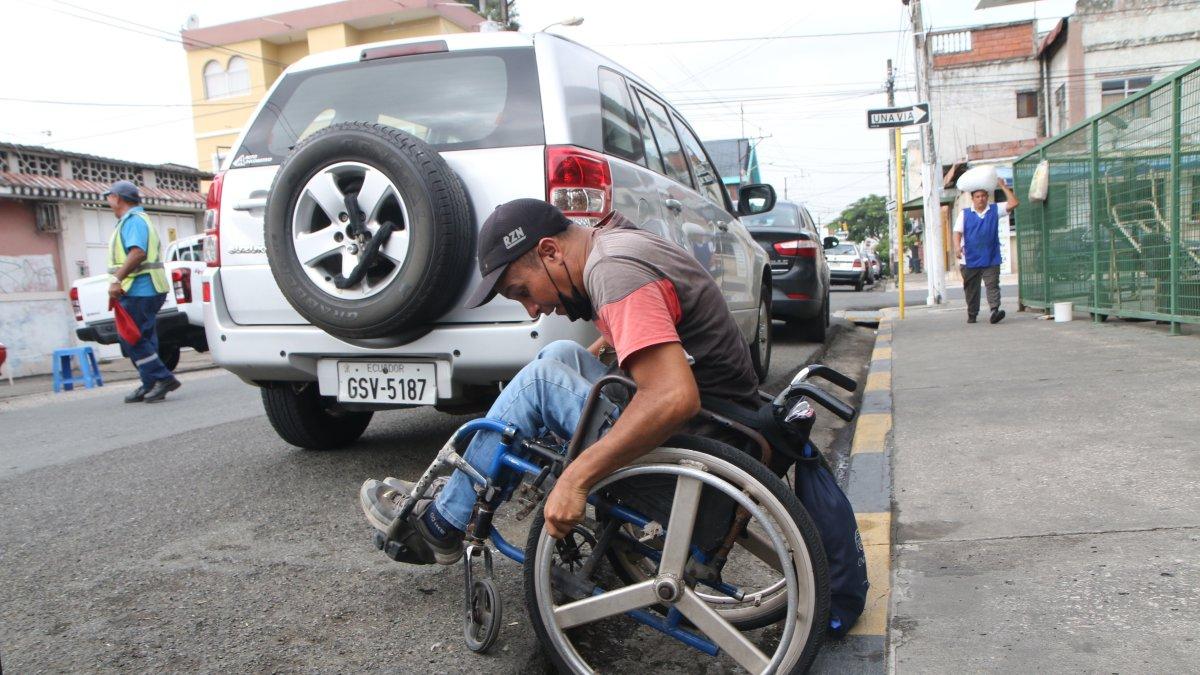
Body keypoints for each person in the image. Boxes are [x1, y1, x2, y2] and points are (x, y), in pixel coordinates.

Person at [360, 198, 761, 565]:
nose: (534, 309)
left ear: (550, 251)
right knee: (559, 356)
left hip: (702, 447)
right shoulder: (614, 245)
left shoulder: (613, 272)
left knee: (541, 382)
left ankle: (443, 523)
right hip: (723, 425)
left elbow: (674, 397)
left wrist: (576, 477)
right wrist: (600, 352)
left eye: (523, 291)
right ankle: (461, 493)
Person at [104, 180, 181, 403]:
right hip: (145, 288)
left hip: (141, 288)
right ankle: (150, 384)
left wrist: (117, 279)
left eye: (109, 196)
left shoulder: (133, 221)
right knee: (144, 337)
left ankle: (162, 378)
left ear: (118, 198)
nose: (108, 200)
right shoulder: (134, 220)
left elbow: (137, 254)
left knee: (131, 338)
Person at [953, 177, 1019, 324]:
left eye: (983, 196)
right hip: (969, 259)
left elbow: (1014, 203)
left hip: (991, 257)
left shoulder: (995, 210)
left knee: (992, 285)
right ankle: (972, 314)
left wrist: (1002, 186)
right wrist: (957, 248)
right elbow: (957, 232)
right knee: (971, 290)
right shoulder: (965, 214)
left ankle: (995, 311)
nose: (981, 199)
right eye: (977, 196)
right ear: (972, 198)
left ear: (987, 197)